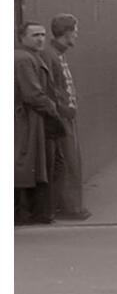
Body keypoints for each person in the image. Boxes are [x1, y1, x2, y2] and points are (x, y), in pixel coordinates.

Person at [41, 13, 92, 220]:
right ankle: (71, 206)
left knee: (70, 159)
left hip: (65, 113)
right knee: (69, 159)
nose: (77, 35)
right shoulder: (51, 55)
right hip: (61, 115)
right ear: (67, 32)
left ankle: (69, 204)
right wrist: (63, 109)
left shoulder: (56, 54)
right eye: (75, 31)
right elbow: (53, 88)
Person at [15, 22, 62, 225]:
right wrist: (53, 110)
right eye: (35, 35)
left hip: (33, 119)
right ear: (22, 37)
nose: (40, 39)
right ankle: (32, 213)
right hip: (29, 120)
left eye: (42, 34)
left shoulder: (29, 57)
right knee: (31, 165)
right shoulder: (24, 59)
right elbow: (33, 94)